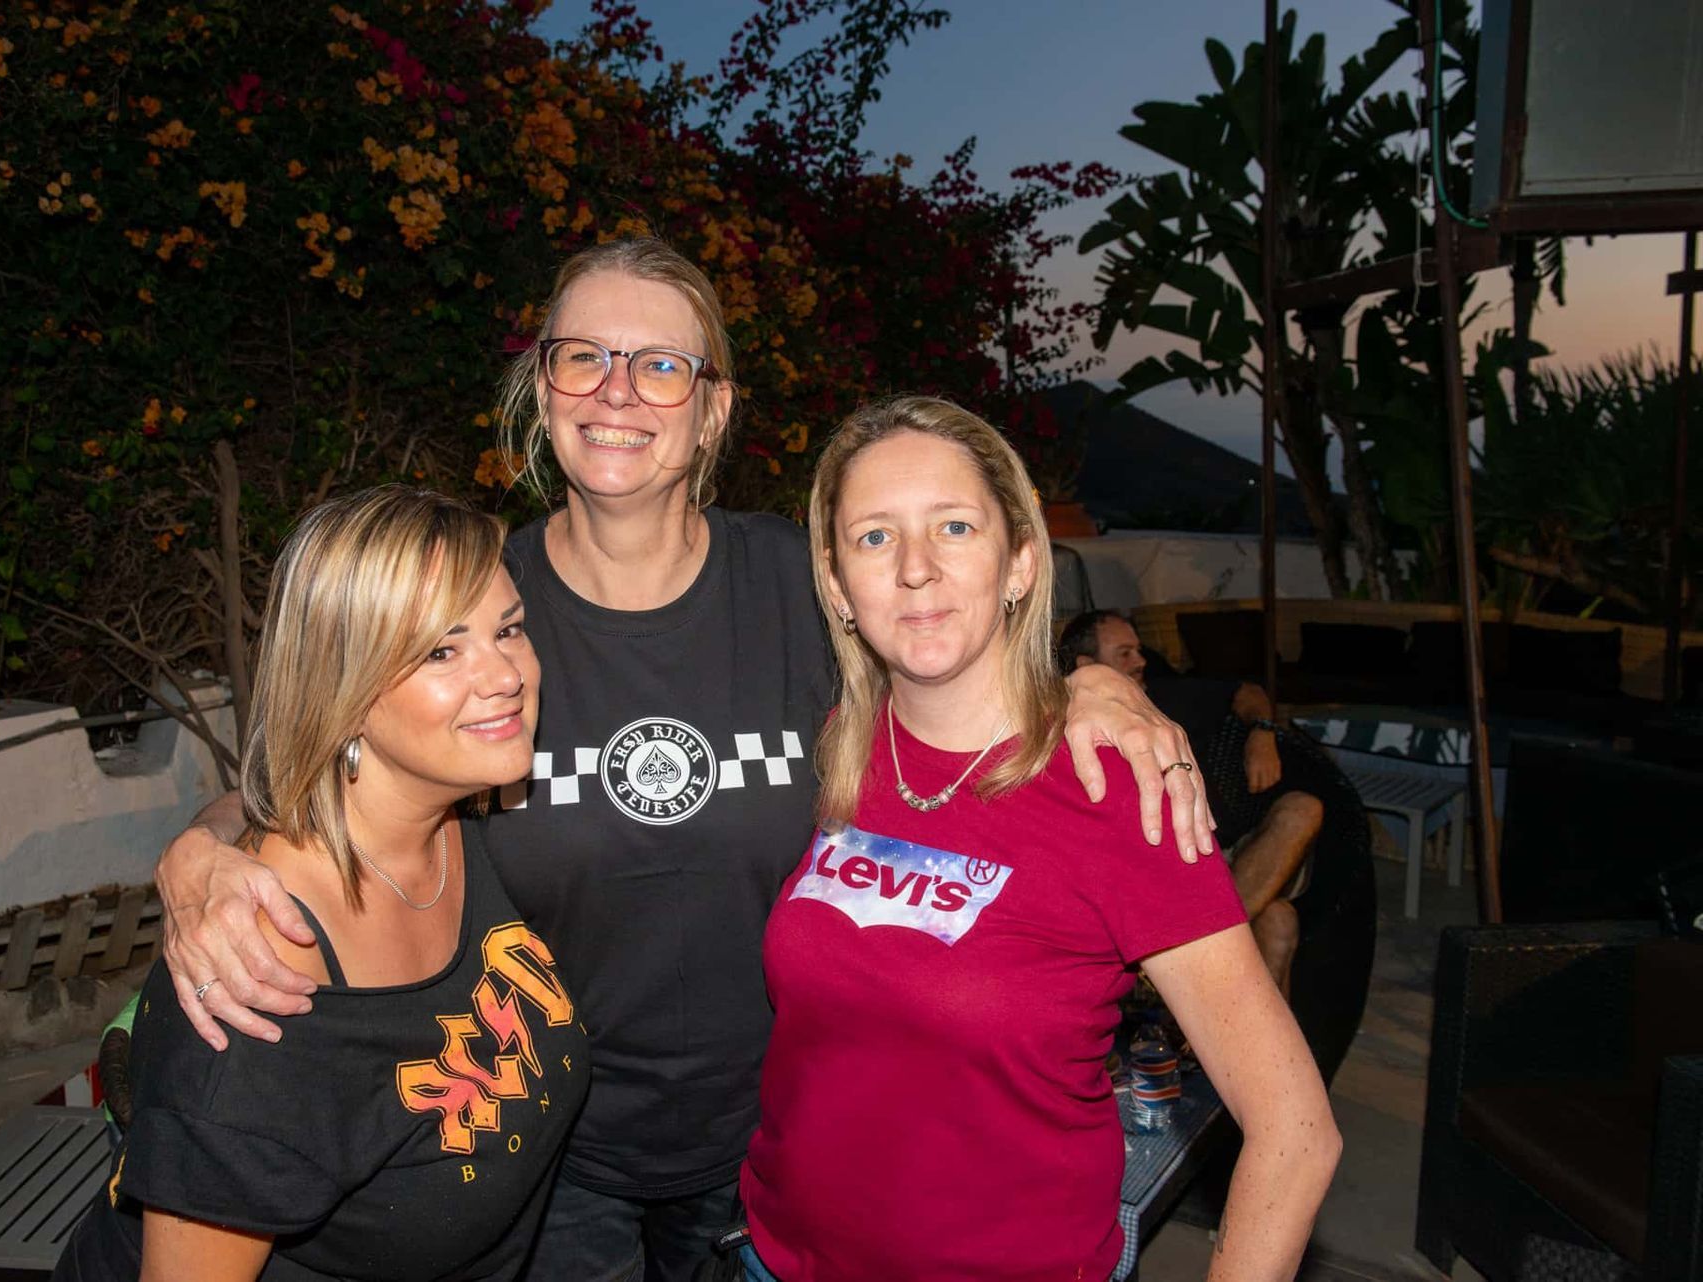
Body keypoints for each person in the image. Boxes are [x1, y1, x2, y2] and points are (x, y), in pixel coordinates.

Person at [152, 239, 1218, 1282]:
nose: (617, 392)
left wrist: (1086, 683)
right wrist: (200, 853)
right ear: (542, 387)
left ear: (712, 409)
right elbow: (325, 762)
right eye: (584, 357)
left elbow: (958, 670)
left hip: (778, 1141)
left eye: (661, 364)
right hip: (545, 1149)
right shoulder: (483, 610)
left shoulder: (802, 588)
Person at [737, 397, 1339, 1281]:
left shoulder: (1116, 785)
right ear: (835, 584)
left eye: (954, 526)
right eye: (874, 536)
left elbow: (1296, 1131)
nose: (915, 569)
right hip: (778, 1259)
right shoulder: (836, 747)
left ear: (1020, 561)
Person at [56, 486, 590, 1281]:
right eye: (440, 652)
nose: (505, 675)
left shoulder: (464, 817)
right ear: (344, 688)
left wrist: (196, 840)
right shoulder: (262, 979)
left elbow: (266, 791)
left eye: (507, 629)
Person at [1059, 609, 1324, 996]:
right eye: (1125, 654)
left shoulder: (1166, 694)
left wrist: (1262, 732)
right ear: (1087, 667)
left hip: (1227, 855)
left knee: (1303, 808)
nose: (1141, 661)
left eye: (1139, 650)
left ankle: (1209, 944)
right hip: (1157, 868)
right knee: (1279, 920)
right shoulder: (1071, 729)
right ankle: (1221, 992)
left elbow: (1247, 692)